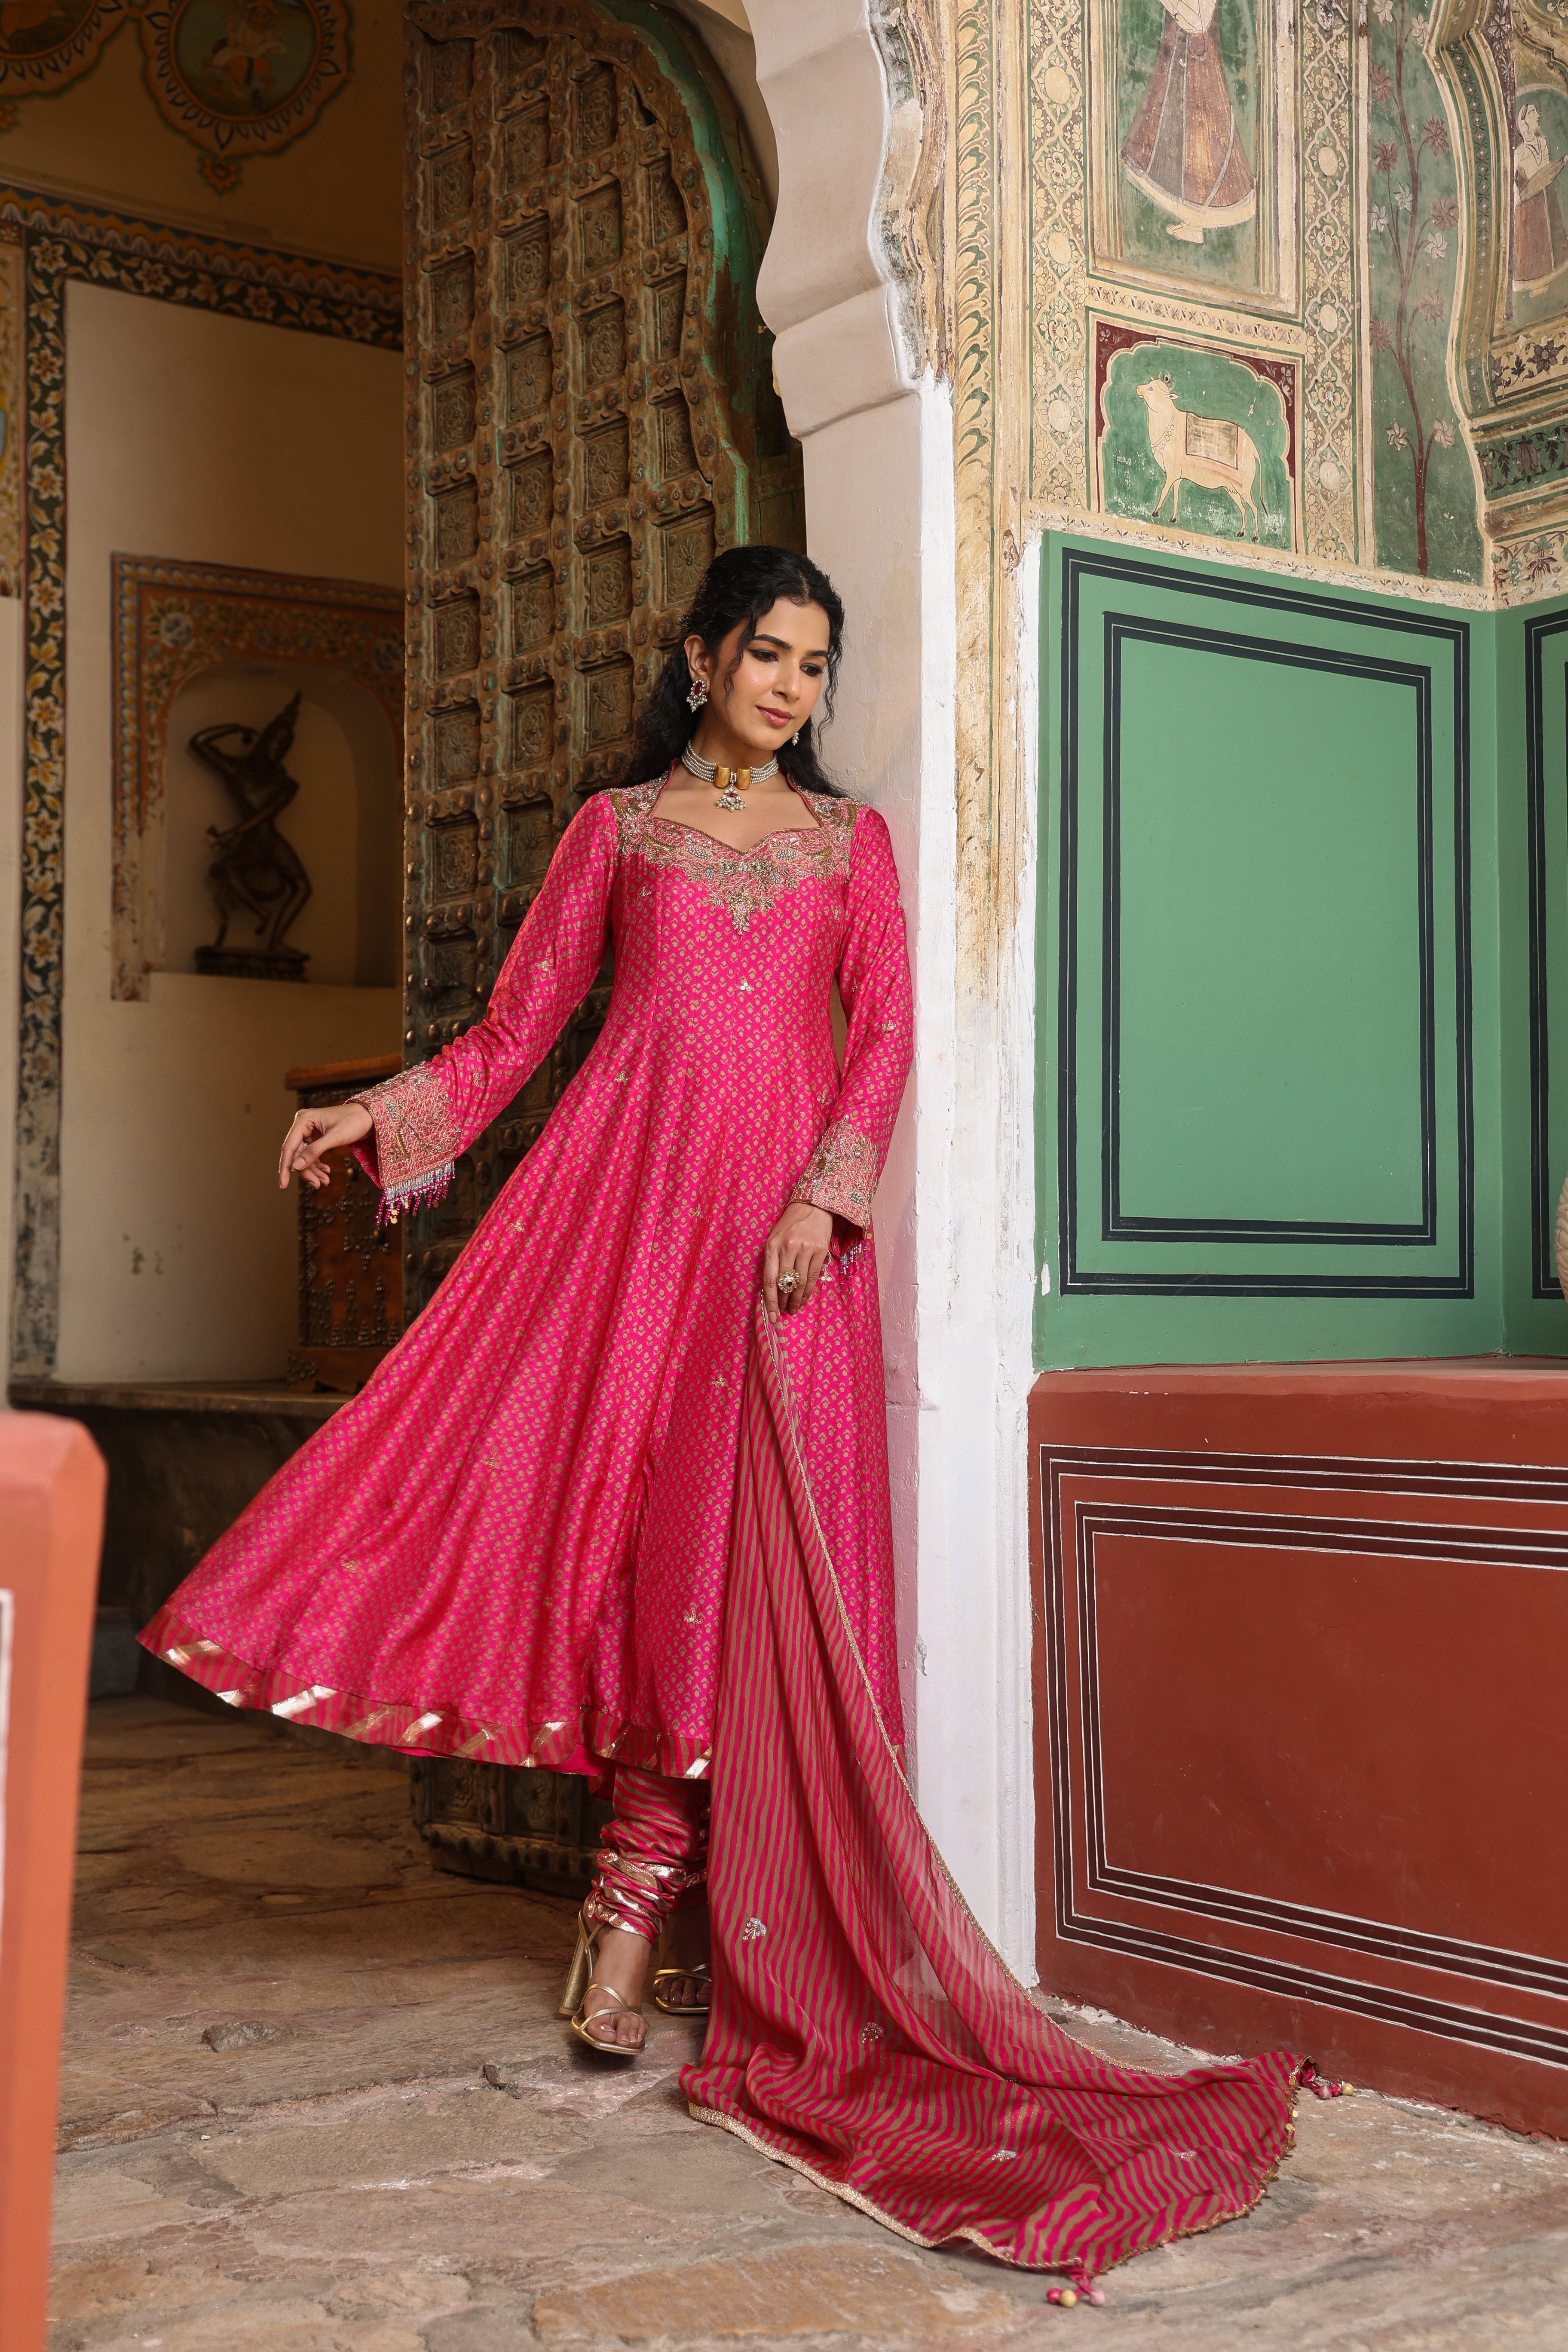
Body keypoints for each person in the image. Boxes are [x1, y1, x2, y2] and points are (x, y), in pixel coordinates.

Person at [144, 544, 1334, 2297]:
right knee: (639, 1542)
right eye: (767, 653)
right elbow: (519, 1030)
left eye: (815, 663)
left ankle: (679, 1901)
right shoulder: (617, 833)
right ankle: (629, 1903)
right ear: (701, 657)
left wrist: (828, 1197)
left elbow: (886, 1040)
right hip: (631, 1223)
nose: (791, 686)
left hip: (783, 1254)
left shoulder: (853, 847)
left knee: (745, 1562)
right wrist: (381, 1114)